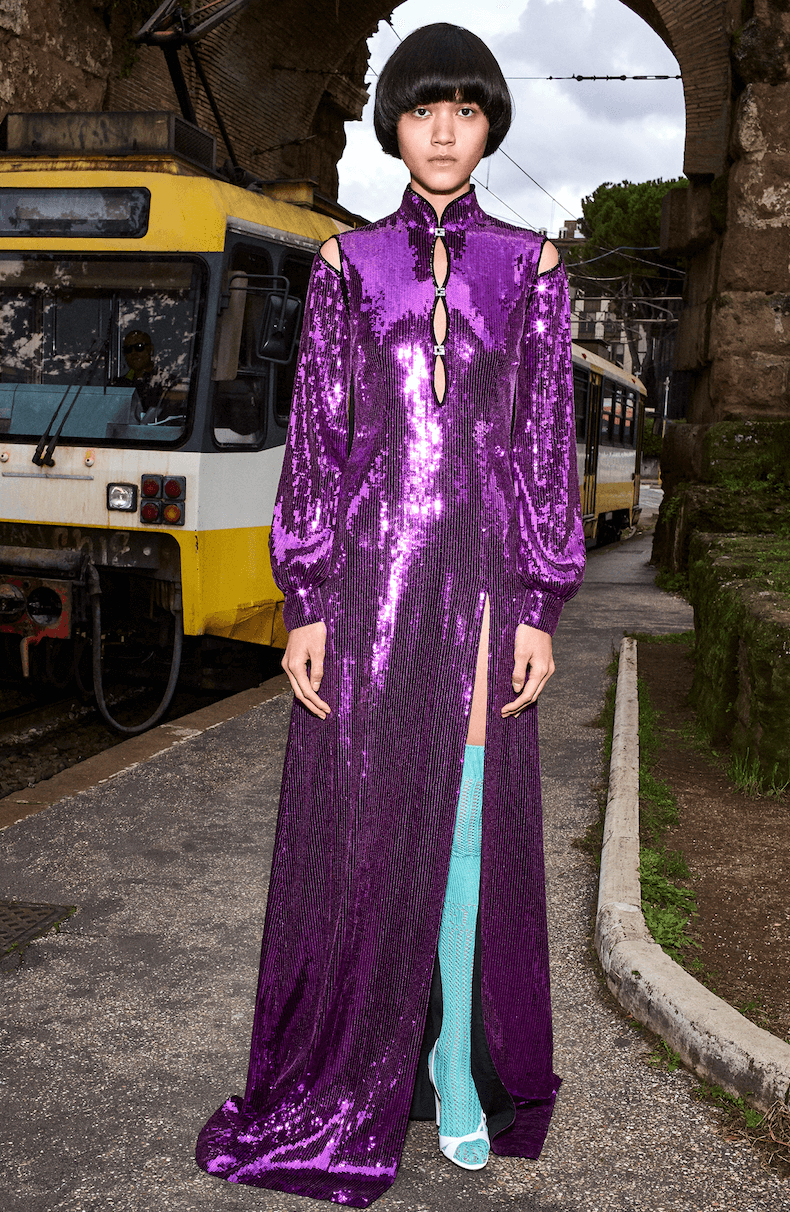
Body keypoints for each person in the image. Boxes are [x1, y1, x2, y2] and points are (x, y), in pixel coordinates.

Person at [196, 23, 585, 1209]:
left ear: (490, 125)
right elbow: (314, 444)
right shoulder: (342, 267)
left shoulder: (532, 270)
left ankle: (456, 1071)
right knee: (361, 834)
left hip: (474, 588)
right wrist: (303, 597)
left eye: (467, 111)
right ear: (395, 123)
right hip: (364, 591)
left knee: (464, 824)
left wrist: (535, 599)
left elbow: (541, 448)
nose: (445, 132)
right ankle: (347, 1067)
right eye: (424, 110)